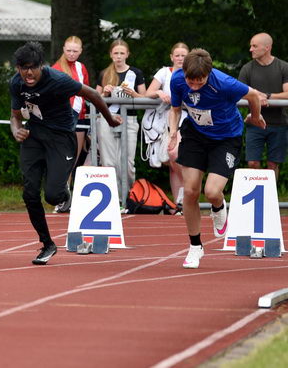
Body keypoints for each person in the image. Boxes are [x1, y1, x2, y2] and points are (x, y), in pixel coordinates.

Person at [10, 42, 120, 265]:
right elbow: (15, 116)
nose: (28, 73)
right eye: (23, 68)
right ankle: (47, 244)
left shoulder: (58, 80)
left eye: (33, 68)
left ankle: (63, 192)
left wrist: (109, 119)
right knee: (30, 193)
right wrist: (16, 130)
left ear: (41, 66)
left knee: (52, 196)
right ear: (18, 68)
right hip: (34, 136)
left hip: (61, 138)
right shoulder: (16, 83)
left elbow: (92, 94)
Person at [168, 48, 265, 269]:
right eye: (190, 82)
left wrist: (255, 116)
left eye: (199, 82)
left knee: (212, 191)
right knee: (190, 191)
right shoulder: (177, 79)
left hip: (225, 138)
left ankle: (218, 206)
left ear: (209, 74)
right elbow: (175, 109)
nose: (194, 87)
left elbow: (253, 95)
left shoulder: (225, 83)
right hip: (195, 135)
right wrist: (173, 131)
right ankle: (195, 246)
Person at [145, 42, 190, 209]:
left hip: (185, 118)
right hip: (166, 119)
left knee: (175, 154)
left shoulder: (192, 72)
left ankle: (188, 186)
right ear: (171, 57)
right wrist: (159, 92)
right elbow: (148, 93)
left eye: (183, 55)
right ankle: (178, 204)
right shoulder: (164, 72)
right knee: (170, 161)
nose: (180, 58)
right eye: (177, 55)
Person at [96, 39, 145, 189]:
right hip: (107, 119)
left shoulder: (136, 73)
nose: (118, 56)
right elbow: (95, 99)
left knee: (127, 163)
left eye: (122, 53)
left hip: (129, 119)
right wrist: (105, 94)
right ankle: (113, 197)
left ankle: (128, 194)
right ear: (111, 54)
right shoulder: (104, 73)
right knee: (108, 162)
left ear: (127, 54)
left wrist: (133, 94)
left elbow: (145, 99)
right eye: (116, 53)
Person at [238, 33, 288, 177]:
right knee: (252, 163)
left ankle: (271, 191)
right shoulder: (247, 69)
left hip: (279, 123)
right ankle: (258, 188)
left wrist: (267, 96)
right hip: (255, 121)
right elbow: (239, 92)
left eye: (254, 46)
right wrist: (256, 96)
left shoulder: (283, 67)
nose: (250, 49)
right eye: (251, 46)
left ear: (267, 48)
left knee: (273, 165)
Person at [50, 36, 90, 213]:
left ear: (80, 51)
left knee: (73, 160)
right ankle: (60, 198)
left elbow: (87, 91)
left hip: (79, 118)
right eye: (69, 50)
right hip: (63, 119)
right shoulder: (55, 69)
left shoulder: (81, 67)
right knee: (62, 159)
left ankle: (67, 198)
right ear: (63, 49)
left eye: (75, 51)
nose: (71, 54)